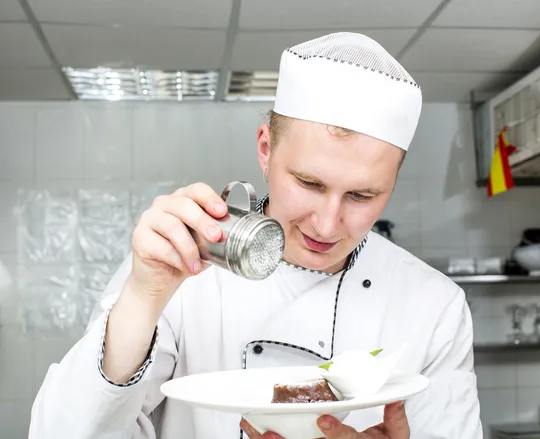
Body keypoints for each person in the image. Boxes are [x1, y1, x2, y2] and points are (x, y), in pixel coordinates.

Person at [29, 32, 482, 439]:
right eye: (309, 183)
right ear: (266, 151)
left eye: (362, 195)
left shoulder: (433, 306)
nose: (326, 224)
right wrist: (142, 299)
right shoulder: (185, 267)